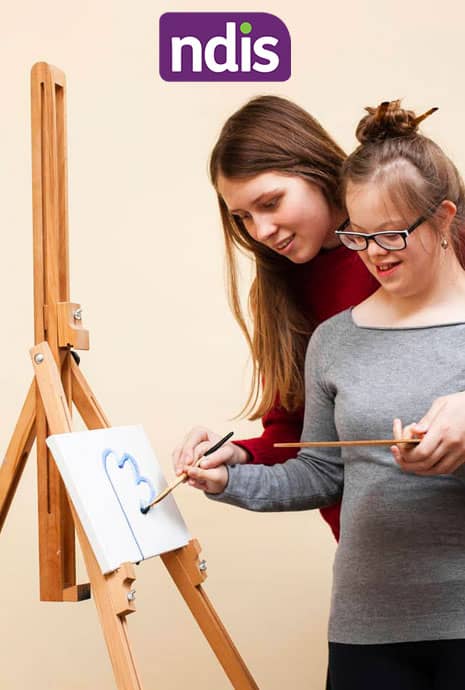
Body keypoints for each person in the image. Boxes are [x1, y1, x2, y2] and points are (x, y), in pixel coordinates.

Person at [183, 100, 465, 689]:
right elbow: (312, 448)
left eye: (270, 202)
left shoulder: (443, 239)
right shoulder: (305, 306)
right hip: (376, 600)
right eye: (241, 217)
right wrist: (239, 462)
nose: (261, 231)